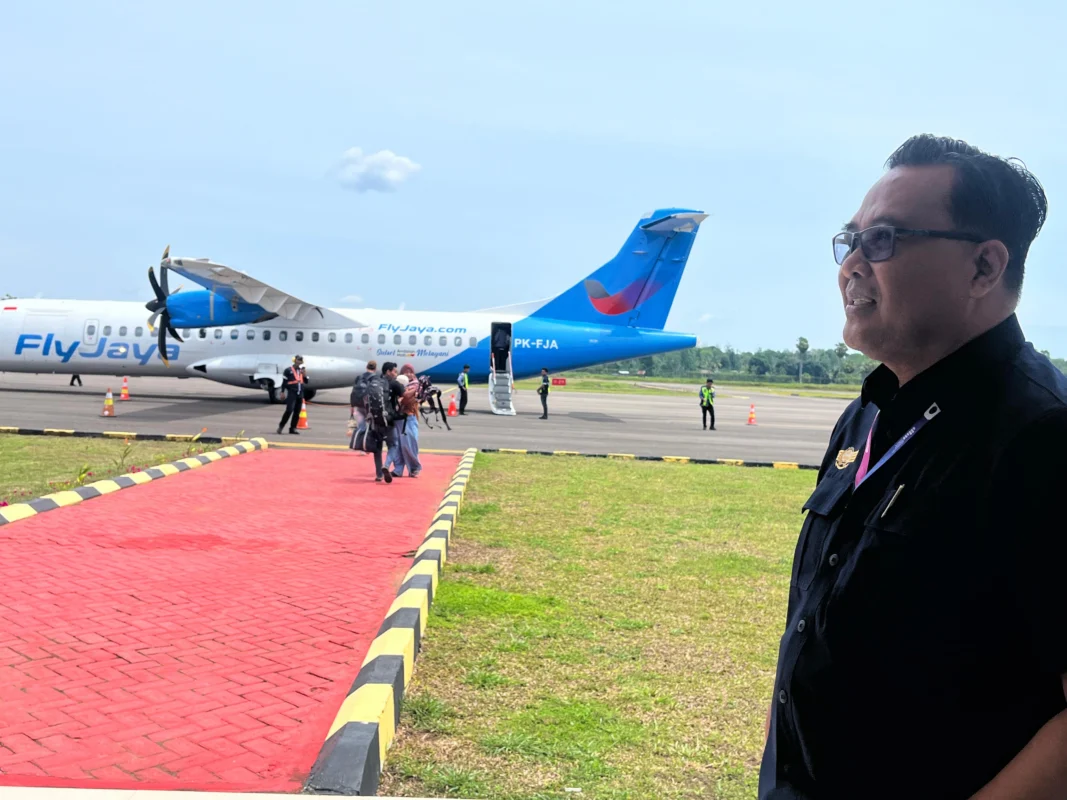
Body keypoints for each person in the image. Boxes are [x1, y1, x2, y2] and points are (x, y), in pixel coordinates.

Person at [759, 134, 1067, 800]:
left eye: (884, 240)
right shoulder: (865, 416)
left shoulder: (1042, 438)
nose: (851, 266)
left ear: (984, 268)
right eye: (850, 240)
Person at [349, 359, 377, 455]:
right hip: (368, 405)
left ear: (366, 367)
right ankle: (365, 448)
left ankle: (356, 445)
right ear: (375, 368)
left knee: (361, 426)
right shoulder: (375, 378)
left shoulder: (359, 377)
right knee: (369, 427)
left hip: (357, 404)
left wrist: (352, 406)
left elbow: (353, 392)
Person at [276, 355, 308, 434]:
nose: (299, 361)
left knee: (297, 412)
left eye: (300, 360)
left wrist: (304, 375)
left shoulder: (301, 371)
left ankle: (293, 428)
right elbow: (284, 382)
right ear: (294, 360)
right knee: (289, 410)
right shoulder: (288, 370)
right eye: (298, 360)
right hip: (292, 393)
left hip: (300, 393)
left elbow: (306, 382)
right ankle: (281, 426)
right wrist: (282, 392)